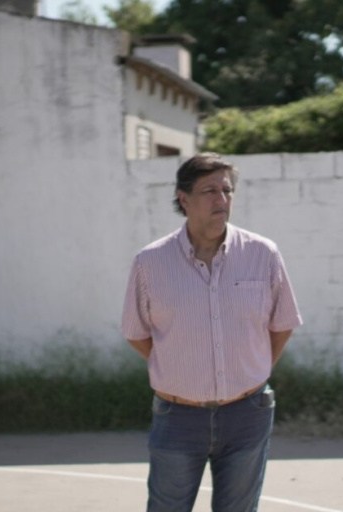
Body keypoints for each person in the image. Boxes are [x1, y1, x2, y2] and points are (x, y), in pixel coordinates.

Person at [121, 152, 302, 512]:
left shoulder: (262, 253)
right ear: (184, 198)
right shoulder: (150, 262)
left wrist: (252, 369)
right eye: (209, 191)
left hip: (248, 412)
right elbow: (136, 332)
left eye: (227, 190)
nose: (222, 199)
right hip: (178, 417)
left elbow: (282, 325)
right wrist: (177, 364)